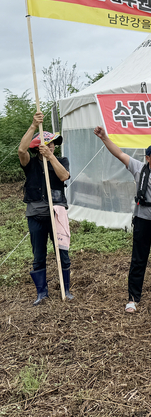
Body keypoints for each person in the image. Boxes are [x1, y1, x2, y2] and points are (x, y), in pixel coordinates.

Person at [93, 127, 151, 313]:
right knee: (138, 260)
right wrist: (104, 138)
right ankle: (133, 299)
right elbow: (119, 153)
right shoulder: (138, 168)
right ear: (148, 158)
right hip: (142, 221)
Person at [19, 112, 72, 305]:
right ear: (38, 147)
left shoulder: (61, 160)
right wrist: (33, 125)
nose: (51, 146)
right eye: (48, 143)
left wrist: (51, 158)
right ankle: (42, 293)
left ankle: (66, 290)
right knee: (38, 255)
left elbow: (64, 176)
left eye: (52, 144)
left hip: (56, 214)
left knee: (63, 253)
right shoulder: (30, 163)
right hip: (36, 215)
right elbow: (21, 151)